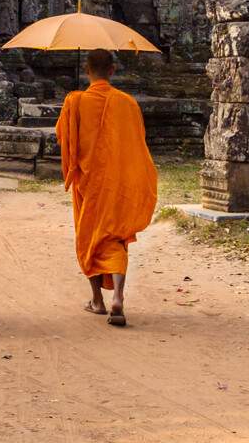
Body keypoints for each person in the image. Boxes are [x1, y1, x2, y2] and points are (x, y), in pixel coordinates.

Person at [56, 48, 157, 326]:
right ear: (112, 70)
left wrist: (73, 109)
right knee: (115, 238)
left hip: (88, 183)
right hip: (118, 182)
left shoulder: (74, 102)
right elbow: (138, 142)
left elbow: (63, 139)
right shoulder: (127, 103)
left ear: (86, 70)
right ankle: (119, 298)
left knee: (89, 237)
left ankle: (97, 300)